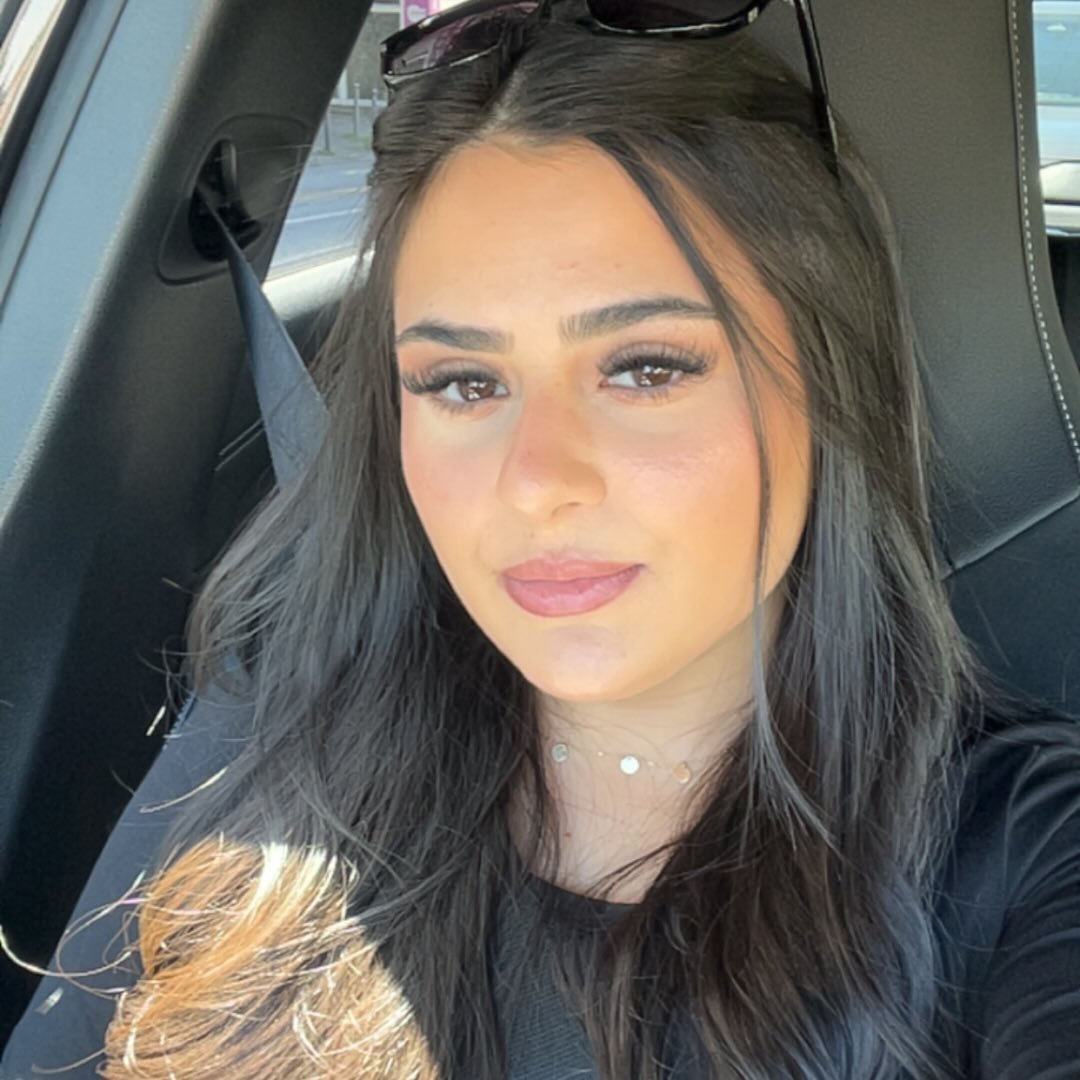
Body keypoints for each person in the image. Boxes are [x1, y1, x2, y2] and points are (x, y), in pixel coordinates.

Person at [4, 1, 1080, 1077]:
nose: (535, 482)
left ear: (829, 383)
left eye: (646, 369)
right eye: (463, 383)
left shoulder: (1025, 855)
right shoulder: (285, 741)